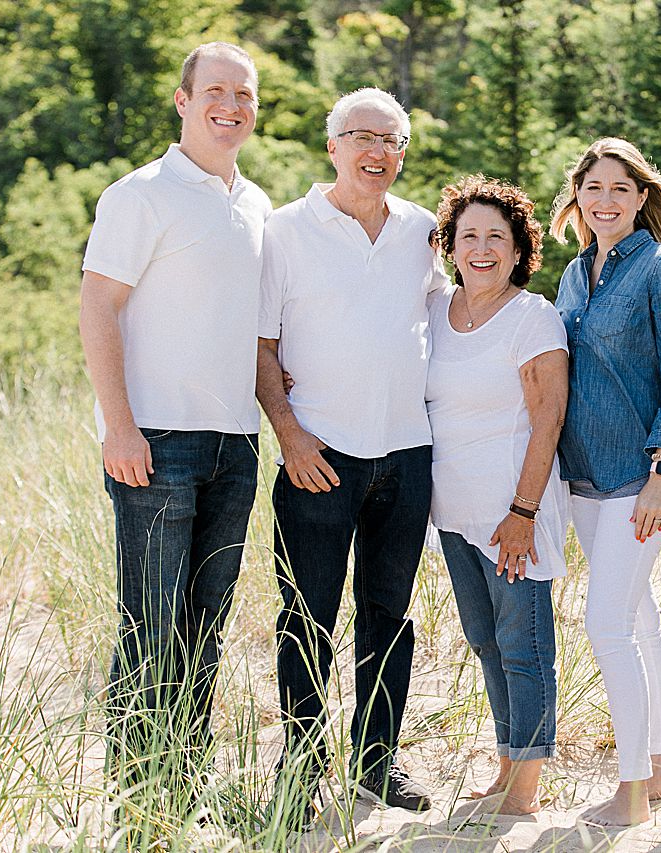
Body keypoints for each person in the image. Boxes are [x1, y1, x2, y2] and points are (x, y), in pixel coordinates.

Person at [78, 42, 271, 791]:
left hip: (235, 445)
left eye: (246, 94)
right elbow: (99, 302)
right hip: (155, 442)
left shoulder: (253, 203)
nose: (232, 104)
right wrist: (118, 426)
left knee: (204, 631)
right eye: (217, 90)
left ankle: (183, 779)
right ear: (184, 99)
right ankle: (140, 792)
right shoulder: (141, 193)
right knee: (151, 627)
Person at [256, 87, 447, 813]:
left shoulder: (423, 231)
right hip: (317, 456)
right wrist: (290, 433)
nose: (376, 151)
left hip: (406, 456)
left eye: (391, 140)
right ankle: (301, 769)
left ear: (402, 153)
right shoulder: (283, 230)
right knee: (307, 617)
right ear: (331, 145)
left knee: (389, 616)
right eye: (361, 136)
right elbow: (263, 346)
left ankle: (378, 763)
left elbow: (453, 315)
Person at [550, 138, 661, 826]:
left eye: (619, 188)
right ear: (577, 198)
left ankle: (634, 791)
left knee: (606, 623)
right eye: (593, 188)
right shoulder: (575, 274)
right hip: (582, 476)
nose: (604, 200)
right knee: (638, 619)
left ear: (643, 197)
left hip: (641, 478)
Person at [426, 175, 569, 817]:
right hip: (453, 514)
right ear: (450, 245)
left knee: (524, 642)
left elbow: (549, 419)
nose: (482, 248)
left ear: (518, 250)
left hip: (512, 512)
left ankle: (528, 785)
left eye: (497, 237)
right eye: (469, 236)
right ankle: (507, 760)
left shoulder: (533, 317)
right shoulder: (436, 310)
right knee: (485, 640)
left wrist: (523, 512)